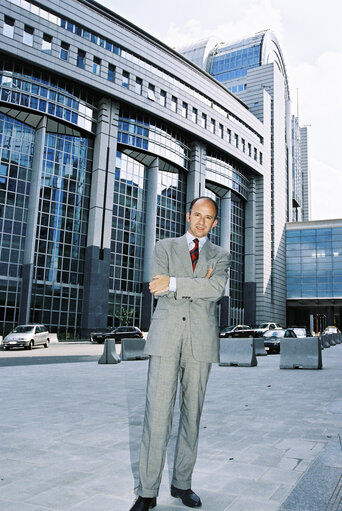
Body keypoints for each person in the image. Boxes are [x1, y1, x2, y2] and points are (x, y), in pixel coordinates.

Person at [130, 197, 231, 511]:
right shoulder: (164, 247)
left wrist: (175, 281)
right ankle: (147, 493)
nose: (202, 222)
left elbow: (216, 290)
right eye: (197, 215)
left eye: (209, 218)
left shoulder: (221, 255)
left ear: (215, 223)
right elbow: (157, 288)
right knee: (156, 417)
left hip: (200, 343)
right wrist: (197, 281)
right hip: (166, 339)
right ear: (188, 216)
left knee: (191, 416)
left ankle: (182, 484)